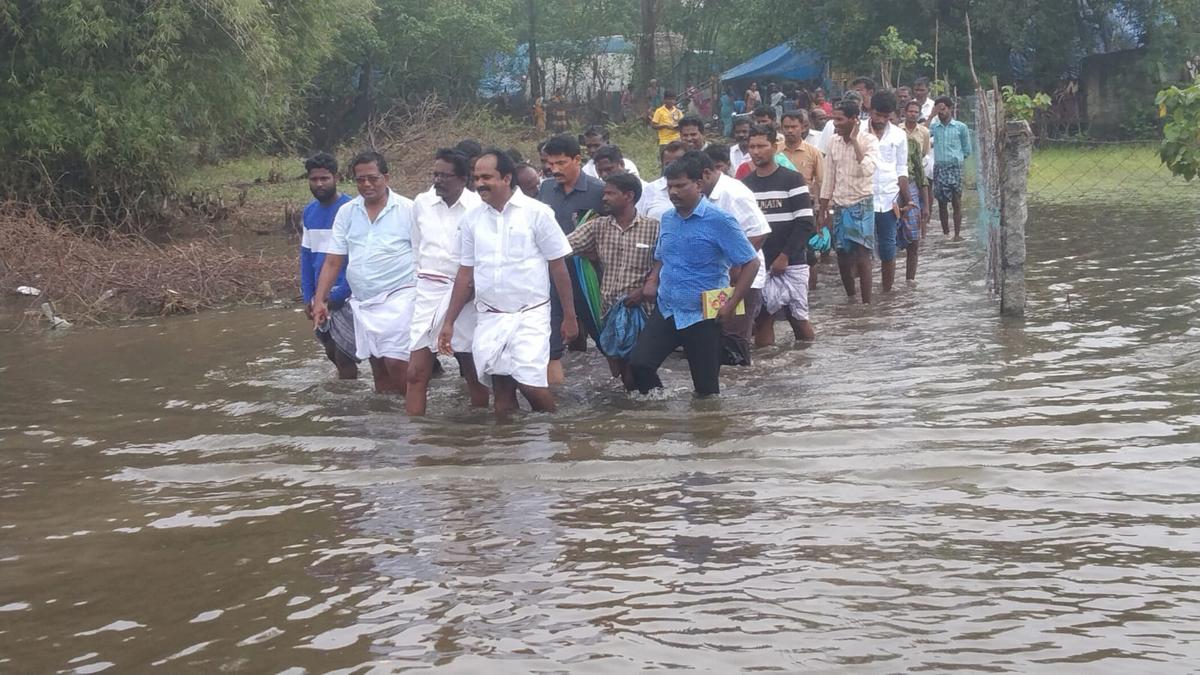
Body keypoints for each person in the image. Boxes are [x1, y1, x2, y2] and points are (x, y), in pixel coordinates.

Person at [439, 150, 576, 416]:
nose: (479, 184)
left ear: (506, 178)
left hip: (530, 314)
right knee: (501, 397)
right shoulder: (472, 219)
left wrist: (569, 317)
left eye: (486, 177)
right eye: (476, 178)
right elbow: (465, 273)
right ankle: (508, 452)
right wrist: (448, 322)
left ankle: (556, 440)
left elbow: (558, 266)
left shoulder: (538, 213)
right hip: (490, 317)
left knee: (530, 385)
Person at [630, 153, 760, 397]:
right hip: (668, 307)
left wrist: (732, 304)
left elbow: (751, 262)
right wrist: (652, 280)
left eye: (680, 185)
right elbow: (662, 256)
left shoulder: (720, 220)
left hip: (704, 313)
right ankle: (660, 416)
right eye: (670, 187)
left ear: (699, 184)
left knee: (706, 389)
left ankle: (706, 430)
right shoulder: (668, 219)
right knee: (640, 364)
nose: (674, 192)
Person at [312, 151, 416, 393]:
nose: (366, 185)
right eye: (360, 180)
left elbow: (423, 255)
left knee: (397, 363)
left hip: (401, 299)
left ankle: (411, 418)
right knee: (378, 366)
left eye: (373, 178)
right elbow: (333, 262)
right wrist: (320, 300)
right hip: (363, 302)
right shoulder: (347, 212)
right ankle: (384, 421)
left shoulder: (408, 210)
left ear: (386, 178)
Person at [405, 149, 489, 416]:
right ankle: (416, 438)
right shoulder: (421, 202)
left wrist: (463, 297)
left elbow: (480, 260)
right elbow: (416, 246)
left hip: (465, 293)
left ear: (464, 179)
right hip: (428, 291)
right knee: (416, 372)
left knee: (471, 369)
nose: (438, 181)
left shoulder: (478, 208)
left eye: (445, 176)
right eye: (435, 174)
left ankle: (479, 432)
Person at [566, 173, 660, 389]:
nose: (604, 198)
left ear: (629, 196)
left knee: (639, 366)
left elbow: (667, 263)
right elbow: (563, 247)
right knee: (622, 369)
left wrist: (646, 288)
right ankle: (641, 409)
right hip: (608, 310)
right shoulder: (597, 226)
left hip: (643, 309)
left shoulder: (654, 227)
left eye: (610, 193)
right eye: (604, 193)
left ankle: (647, 408)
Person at [741, 125, 817, 346]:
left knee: (798, 318)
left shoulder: (793, 180)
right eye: (752, 146)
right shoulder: (745, 186)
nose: (756, 151)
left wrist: (785, 256)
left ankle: (806, 361)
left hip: (792, 262)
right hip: (759, 264)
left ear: (774, 147)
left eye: (761, 146)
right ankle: (768, 371)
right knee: (763, 318)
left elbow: (805, 223)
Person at [537, 134, 604, 382]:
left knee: (606, 341)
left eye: (561, 163)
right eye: (550, 164)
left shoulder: (599, 191)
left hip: (589, 280)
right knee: (552, 347)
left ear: (578, 159)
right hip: (552, 281)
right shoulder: (545, 190)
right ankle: (560, 408)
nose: (554, 169)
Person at [696, 147, 771, 366]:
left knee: (734, 340)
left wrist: (738, 266)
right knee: (718, 336)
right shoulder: (707, 194)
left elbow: (759, 231)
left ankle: (745, 393)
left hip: (742, 278)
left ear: (708, 173)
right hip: (718, 278)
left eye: (696, 182)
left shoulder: (734, 193)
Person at [299, 152, 358, 380]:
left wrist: (340, 294)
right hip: (320, 296)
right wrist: (309, 297)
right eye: (314, 179)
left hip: (347, 295)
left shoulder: (352, 209)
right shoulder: (309, 212)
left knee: (344, 356)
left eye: (325, 178)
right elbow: (306, 256)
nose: (319, 184)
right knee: (331, 352)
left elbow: (357, 258)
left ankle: (349, 408)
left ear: (336, 178)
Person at [818, 99, 879, 304]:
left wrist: (854, 142)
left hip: (861, 203)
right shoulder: (833, 142)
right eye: (834, 119)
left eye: (839, 119)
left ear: (854, 119)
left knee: (863, 254)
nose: (835, 123)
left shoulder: (869, 141)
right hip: (840, 205)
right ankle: (851, 300)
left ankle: (866, 304)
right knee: (842, 254)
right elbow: (828, 178)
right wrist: (822, 210)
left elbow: (868, 170)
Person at [864, 90, 910, 294]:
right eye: (877, 115)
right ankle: (863, 295)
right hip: (863, 198)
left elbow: (901, 168)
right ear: (870, 110)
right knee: (861, 249)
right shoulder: (858, 133)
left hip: (889, 199)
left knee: (888, 248)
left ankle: (887, 293)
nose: (881, 120)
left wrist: (906, 199)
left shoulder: (899, 135)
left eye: (886, 116)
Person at [929, 95, 972, 240]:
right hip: (939, 167)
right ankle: (946, 233)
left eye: (943, 109)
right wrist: (931, 116)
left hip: (955, 167)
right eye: (938, 110)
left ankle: (957, 234)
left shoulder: (961, 127)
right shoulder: (934, 127)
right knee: (941, 202)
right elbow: (921, 133)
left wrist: (957, 160)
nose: (940, 112)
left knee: (957, 201)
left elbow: (967, 149)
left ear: (950, 109)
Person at [899, 107, 927, 281]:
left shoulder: (914, 143)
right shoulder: (876, 143)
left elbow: (921, 176)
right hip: (889, 190)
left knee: (913, 240)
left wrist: (926, 205)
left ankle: (910, 282)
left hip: (911, 187)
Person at [902, 99, 933, 236]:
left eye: (916, 112)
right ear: (905, 113)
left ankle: (922, 238)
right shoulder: (897, 130)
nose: (913, 114)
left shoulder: (924, 132)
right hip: (900, 175)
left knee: (919, 207)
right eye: (910, 111)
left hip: (917, 173)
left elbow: (924, 152)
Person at [638, 140, 687, 221]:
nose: (673, 167)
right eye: (668, 164)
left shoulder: (697, 188)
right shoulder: (650, 190)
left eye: (677, 162)